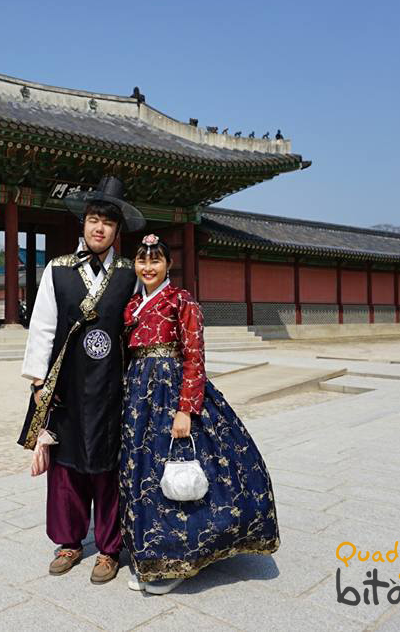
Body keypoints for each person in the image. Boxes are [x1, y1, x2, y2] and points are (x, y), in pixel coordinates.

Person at [120, 234, 280, 595]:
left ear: (168, 265)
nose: (148, 267)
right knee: (141, 472)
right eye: (142, 261)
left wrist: (186, 410)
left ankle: (178, 559)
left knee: (175, 469)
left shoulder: (182, 301)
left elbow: (195, 357)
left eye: (156, 261)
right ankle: (149, 554)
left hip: (172, 391)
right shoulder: (131, 306)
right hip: (137, 397)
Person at [18, 175, 145, 585]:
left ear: (117, 230)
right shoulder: (58, 270)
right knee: (67, 465)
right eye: (93, 219)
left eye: (107, 222)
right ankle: (70, 542)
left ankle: (109, 548)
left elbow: (141, 326)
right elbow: (42, 327)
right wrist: (39, 383)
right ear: (83, 224)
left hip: (112, 384)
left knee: (109, 466)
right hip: (68, 385)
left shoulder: (130, 274)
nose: (98, 228)